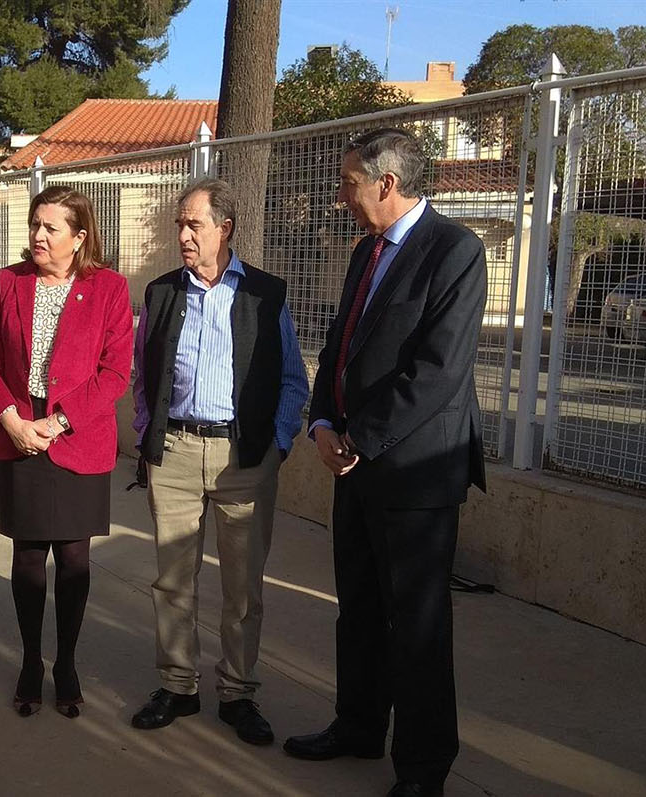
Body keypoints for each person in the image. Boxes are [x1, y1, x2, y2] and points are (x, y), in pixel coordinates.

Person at [282, 128, 487, 797]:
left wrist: (359, 436)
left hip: (416, 474)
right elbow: (338, 345)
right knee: (360, 609)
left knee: (417, 624)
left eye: (347, 182)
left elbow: (438, 371)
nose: (341, 195)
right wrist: (320, 422)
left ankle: (423, 769)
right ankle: (357, 724)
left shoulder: (454, 251)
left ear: (386, 183)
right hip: (354, 463)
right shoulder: (364, 251)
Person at [129, 178, 309, 745]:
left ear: (224, 228)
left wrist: (275, 448)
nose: (182, 234)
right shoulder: (161, 293)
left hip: (245, 458)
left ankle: (237, 693)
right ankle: (178, 686)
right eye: (179, 224)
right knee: (173, 581)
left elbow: (291, 382)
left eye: (193, 224)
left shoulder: (266, 294)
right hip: (176, 454)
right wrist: (149, 436)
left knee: (243, 587)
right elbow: (143, 378)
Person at [0, 185, 134, 719]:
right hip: (18, 431)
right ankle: (29, 660)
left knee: (72, 557)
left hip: (77, 435)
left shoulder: (108, 288)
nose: (38, 236)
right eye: (34, 225)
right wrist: (12, 420)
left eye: (51, 228)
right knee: (27, 556)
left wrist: (59, 421)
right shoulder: (9, 282)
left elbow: (114, 373)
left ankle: (65, 661)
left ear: (79, 236)